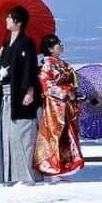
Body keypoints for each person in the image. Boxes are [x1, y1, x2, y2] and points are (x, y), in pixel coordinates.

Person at [0, 6, 42, 185]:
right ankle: (8, 176)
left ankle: (25, 176)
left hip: (19, 95)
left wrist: (29, 91)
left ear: (18, 22)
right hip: (6, 95)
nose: (6, 20)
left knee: (23, 134)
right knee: (7, 135)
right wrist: (0, 59)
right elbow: (4, 71)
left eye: (10, 18)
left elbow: (29, 67)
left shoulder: (26, 42)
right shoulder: (6, 44)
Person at [33, 34, 85, 181]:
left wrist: (73, 93)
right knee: (55, 137)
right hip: (54, 106)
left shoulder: (61, 63)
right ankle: (54, 172)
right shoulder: (47, 64)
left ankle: (63, 170)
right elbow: (47, 85)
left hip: (65, 105)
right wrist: (66, 92)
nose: (61, 45)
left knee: (67, 137)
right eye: (57, 43)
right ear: (50, 48)